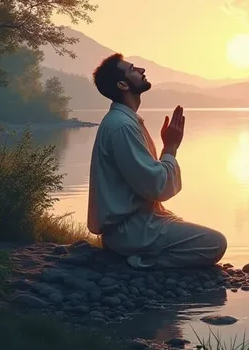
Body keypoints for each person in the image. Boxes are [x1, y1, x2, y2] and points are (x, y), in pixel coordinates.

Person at [86, 53, 227, 269]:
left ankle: (137, 255)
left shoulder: (124, 121)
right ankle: (141, 262)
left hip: (139, 224)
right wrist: (170, 147)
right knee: (215, 243)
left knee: (193, 232)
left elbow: (148, 183)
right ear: (123, 84)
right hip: (131, 231)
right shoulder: (122, 126)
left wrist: (168, 148)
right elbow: (156, 187)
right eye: (133, 69)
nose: (141, 70)